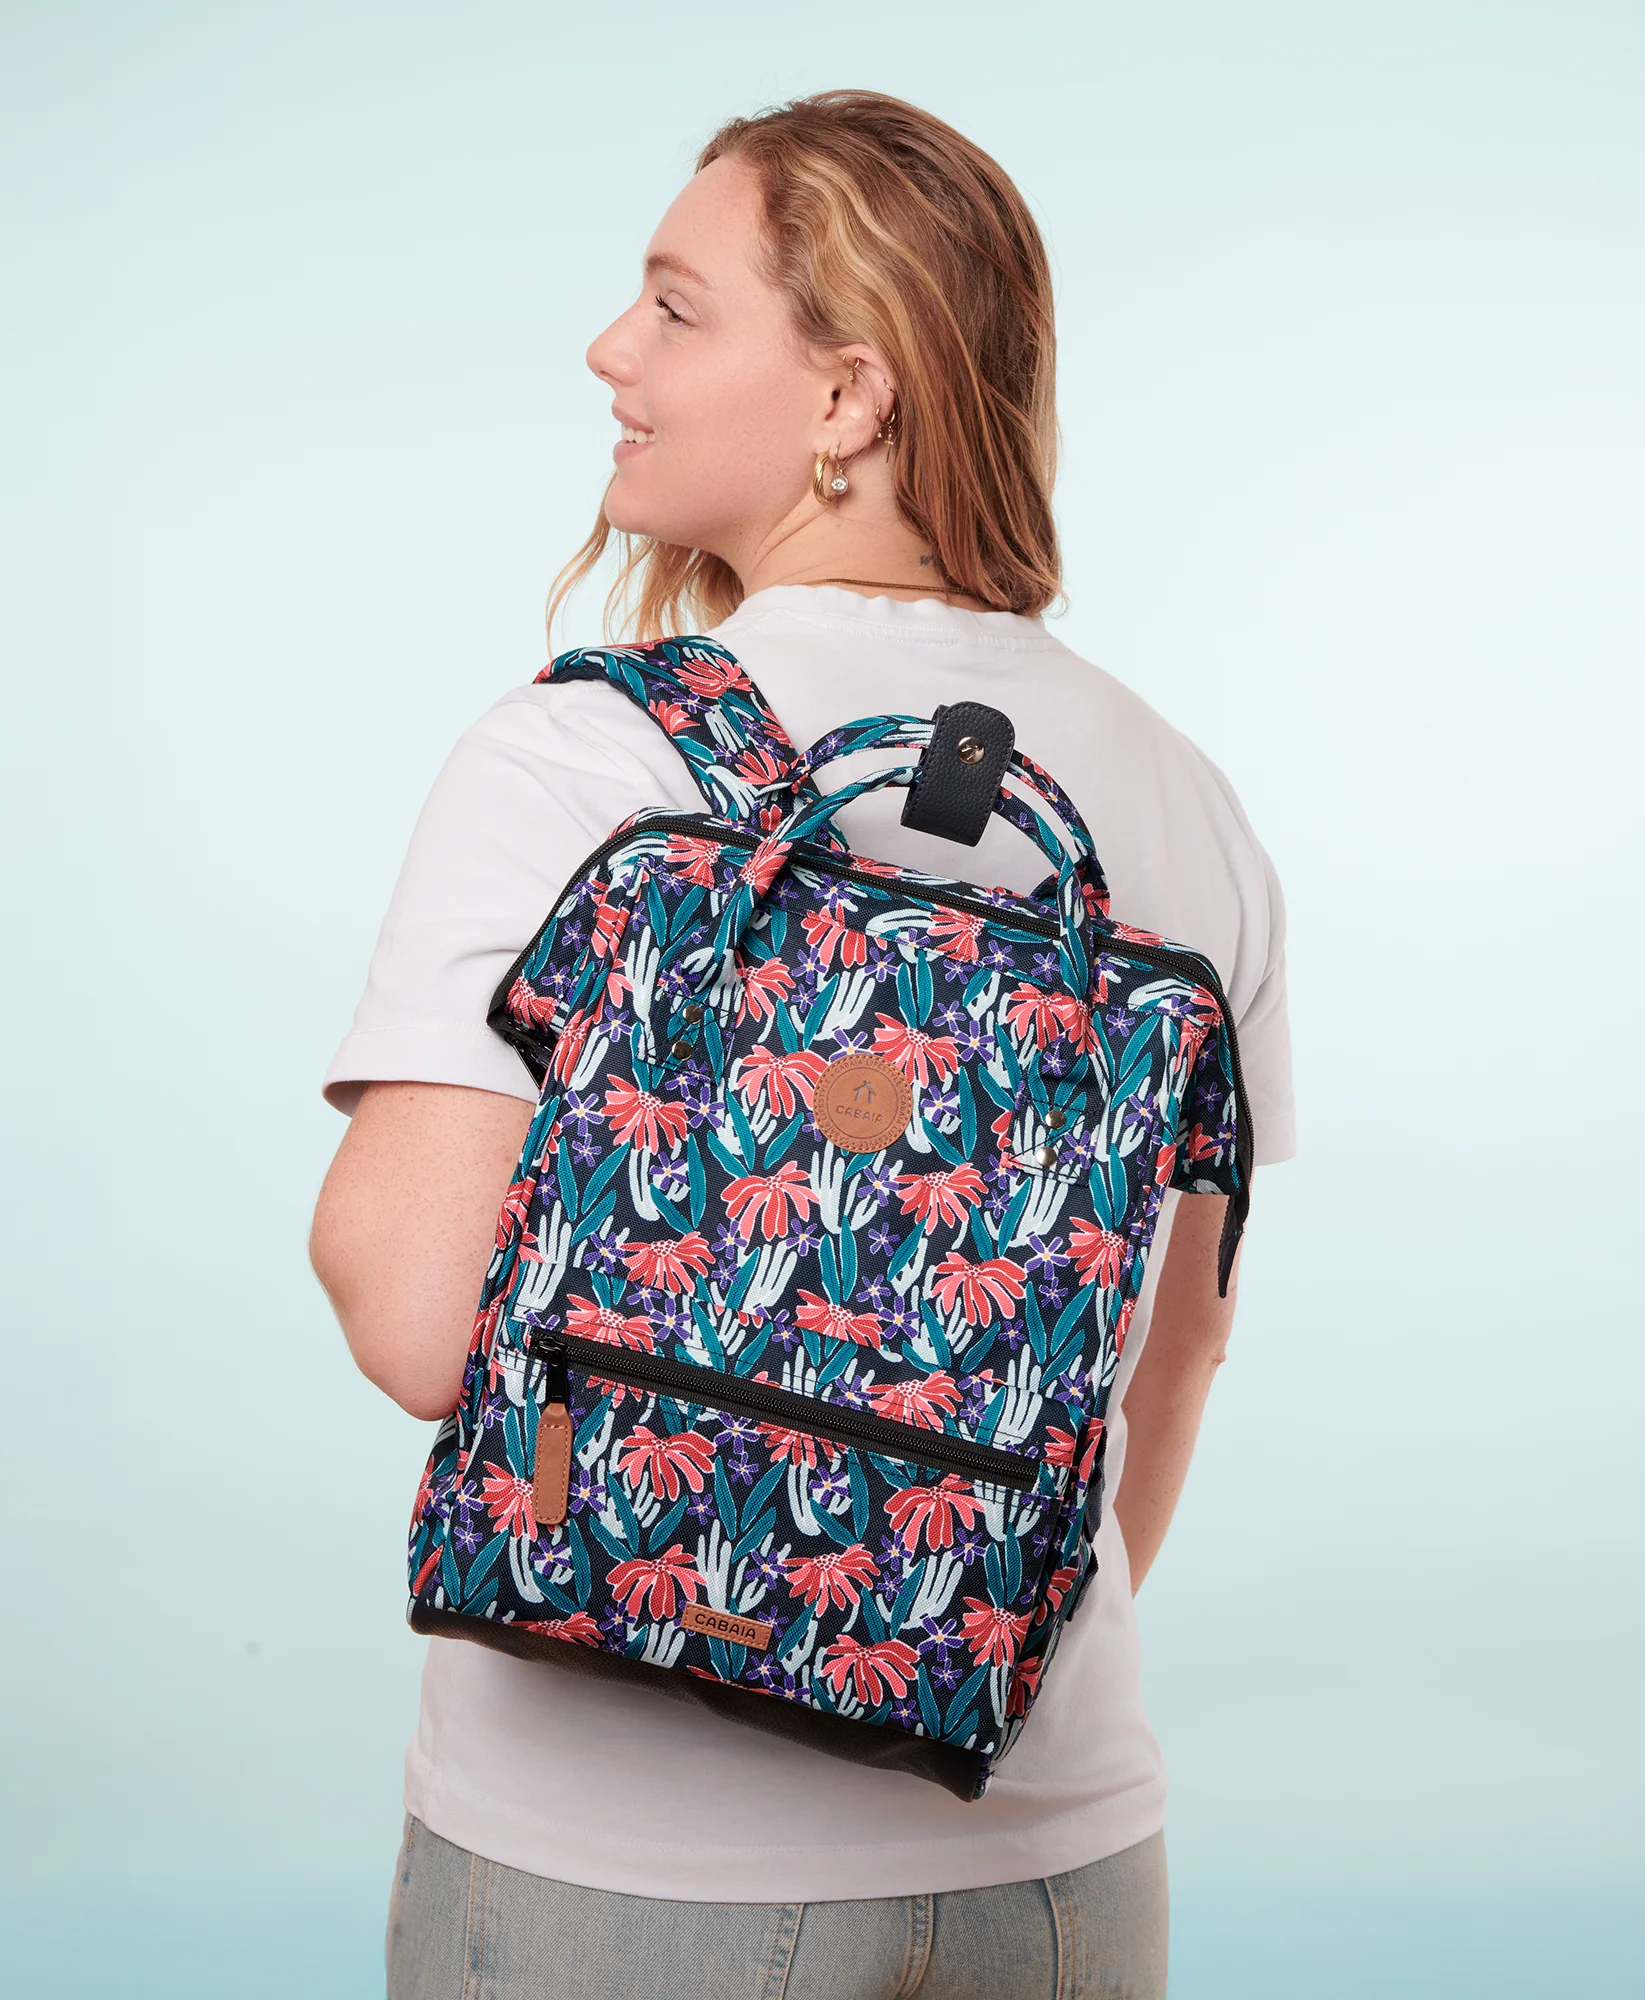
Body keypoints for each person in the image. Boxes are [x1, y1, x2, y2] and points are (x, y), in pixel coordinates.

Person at [311, 89, 1294, 2000]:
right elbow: (1169, 1356)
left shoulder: (582, 759)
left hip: (625, 1878)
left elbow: (420, 1323)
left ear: (848, 397)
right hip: (1059, 1863)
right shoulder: (1182, 802)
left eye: (676, 308)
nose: (610, 348)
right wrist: (934, 1640)